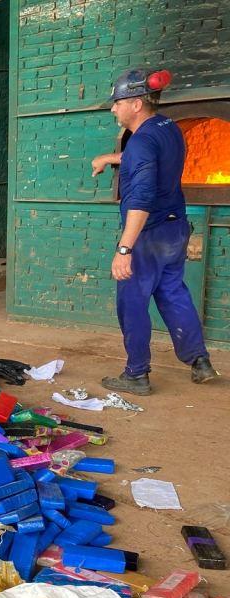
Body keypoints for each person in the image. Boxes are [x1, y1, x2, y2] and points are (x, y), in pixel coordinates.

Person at [90, 69, 218, 395]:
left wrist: (124, 250)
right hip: (176, 228)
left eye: (116, 103)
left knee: (132, 301)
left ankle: (136, 374)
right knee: (173, 293)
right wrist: (111, 157)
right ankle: (200, 361)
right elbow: (145, 158)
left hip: (148, 235)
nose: (112, 109)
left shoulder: (142, 140)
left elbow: (142, 199)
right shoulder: (168, 127)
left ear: (135, 103)